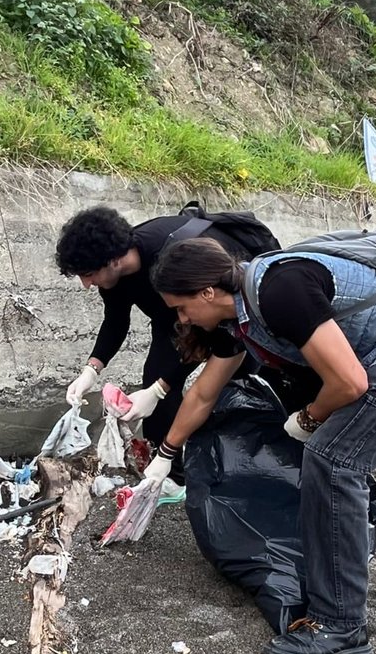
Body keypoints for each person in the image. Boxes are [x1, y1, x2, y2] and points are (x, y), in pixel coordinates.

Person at [146, 236, 376, 654]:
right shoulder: (238, 320)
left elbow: (350, 384)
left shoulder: (280, 291)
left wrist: (308, 419)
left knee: (334, 460)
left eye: (181, 307)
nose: (182, 318)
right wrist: (166, 454)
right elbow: (205, 394)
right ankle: (334, 573)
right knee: (330, 458)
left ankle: (341, 627)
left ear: (207, 292)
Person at [55, 205, 278, 480]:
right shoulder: (113, 277)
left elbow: (211, 333)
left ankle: (241, 467)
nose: (86, 284)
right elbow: (115, 321)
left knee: (236, 386)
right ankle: (168, 474)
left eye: (88, 275)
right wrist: (91, 369)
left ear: (112, 261)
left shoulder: (174, 254)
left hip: (230, 313)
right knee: (154, 379)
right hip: (173, 320)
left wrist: (160, 388)